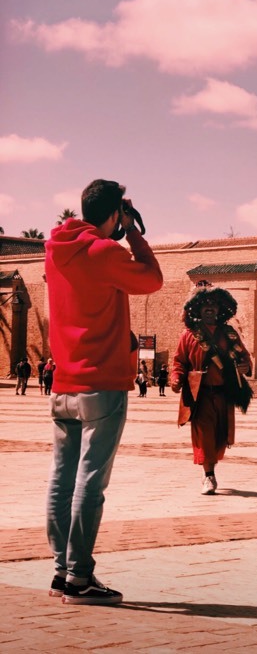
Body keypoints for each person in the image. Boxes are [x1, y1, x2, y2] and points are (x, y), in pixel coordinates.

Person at [44, 179, 163, 605]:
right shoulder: (105, 252)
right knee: (90, 482)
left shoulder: (55, 250)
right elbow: (152, 280)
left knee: (62, 479)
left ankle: (62, 571)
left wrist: (116, 222)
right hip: (102, 385)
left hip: (63, 385)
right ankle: (80, 579)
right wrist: (132, 231)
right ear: (114, 212)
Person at [171, 285, 252, 496]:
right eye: (205, 306)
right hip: (201, 394)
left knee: (219, 436)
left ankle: (211, 468)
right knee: (204, 435)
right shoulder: (189, 335)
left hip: (224, 394)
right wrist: (176, 378)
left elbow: (244, 357)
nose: (209, 309)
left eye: (213, 305)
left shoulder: (229, 334)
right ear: (198, 310)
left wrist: (246, 366)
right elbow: (179, 361)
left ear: (219, 309)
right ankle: (208, 475)